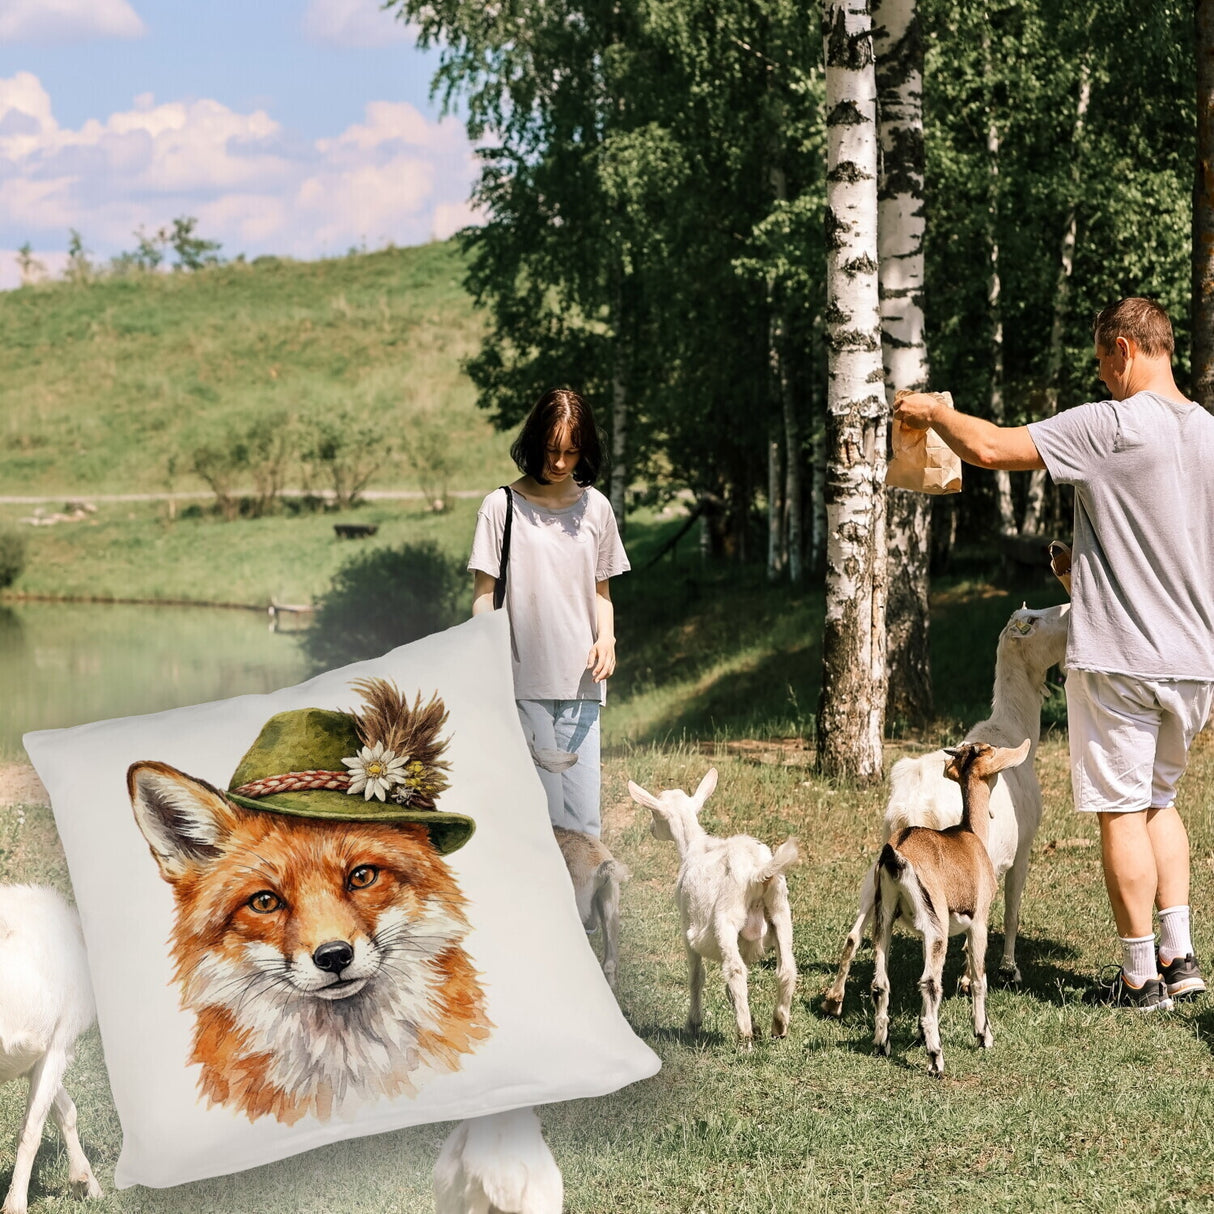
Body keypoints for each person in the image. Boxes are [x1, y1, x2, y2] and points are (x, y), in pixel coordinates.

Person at [895, 297, 1214, 1011]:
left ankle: (1139, 980)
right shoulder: (1210, 436)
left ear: (1125, 351)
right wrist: (1089, 574)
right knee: (1163, 800)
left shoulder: (1111, 424)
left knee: (1122, 810)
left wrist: (934, 414)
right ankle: (1180, 957)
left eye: (1104, 365)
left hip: (1124, 658)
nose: (1103, 380)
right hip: (1194, 658)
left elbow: (990, 448)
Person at [469, 388, 629, 838]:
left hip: (583, 687)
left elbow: (602, 593)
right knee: (542, 823)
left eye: (571, 452)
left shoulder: (596, 508)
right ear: (535, 441)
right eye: (552, 450)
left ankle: (587, 912)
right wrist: (490, 658)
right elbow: (484, 596)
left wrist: (607, 640)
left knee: (584, 827)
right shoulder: (500, 508)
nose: (560, 463)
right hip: (523, 687)